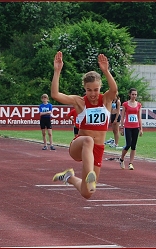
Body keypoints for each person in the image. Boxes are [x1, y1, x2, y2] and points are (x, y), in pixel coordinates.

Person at [50, 51, 118, 199]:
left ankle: (69, 177)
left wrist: (106, 71)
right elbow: (55, 95)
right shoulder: (80, 102)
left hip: (97, 149)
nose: (92, 94)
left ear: (100, 88)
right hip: (79, 146)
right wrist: (57, 71)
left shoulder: (106, 101)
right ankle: (90, 176)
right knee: (88, 140)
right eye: (89, 90)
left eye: (96, 89)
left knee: (87, 193)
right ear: (84, 88)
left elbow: (114, 90)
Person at [118, 88, 143, 170]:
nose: (134, 96)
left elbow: (139, 117)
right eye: (133, 94)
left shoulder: (138, 104)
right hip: (128, 126)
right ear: (129, 94)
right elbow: (122, 116)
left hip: (135, 127)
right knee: (128, 144)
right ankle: (121, 159)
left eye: (135, 94)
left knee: (133, 145)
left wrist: (141, 128)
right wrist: (121, 127)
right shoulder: (125, 104)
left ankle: (131, 163)